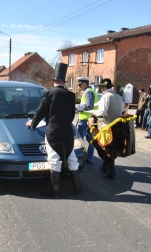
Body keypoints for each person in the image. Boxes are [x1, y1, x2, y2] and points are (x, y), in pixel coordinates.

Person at [25, 62, 80, 198]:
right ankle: (77, 188)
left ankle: (55, 191)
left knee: (54, 159)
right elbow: (72, 115)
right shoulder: (71, 95)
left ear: (53, 81)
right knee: (72, 158)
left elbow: (39, 112)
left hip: (53, 132)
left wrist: (33, 124)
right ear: (64, 81)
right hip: (68, 132)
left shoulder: (49, 94)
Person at [88, 78, 123, 179]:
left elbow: (102, 112)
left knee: (105, 148)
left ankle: (111, 171)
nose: (101, 89)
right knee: (112, 148)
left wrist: (91, 112)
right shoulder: (118, 96)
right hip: (118, 126)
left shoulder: (105, 96)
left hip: (108, 127)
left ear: (103, 87)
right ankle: (105, 166)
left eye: (101, 87)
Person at [75, 77, 98, 164]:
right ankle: (90, 158)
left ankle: (79, 157)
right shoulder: (90, 91)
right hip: (90, 119)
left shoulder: (88, 92)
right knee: (91, 140)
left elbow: (89, 105)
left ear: (85, 83)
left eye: (80, 84)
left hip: (86, 120)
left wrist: (77, 106)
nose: (79, 86)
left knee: (79, 140)